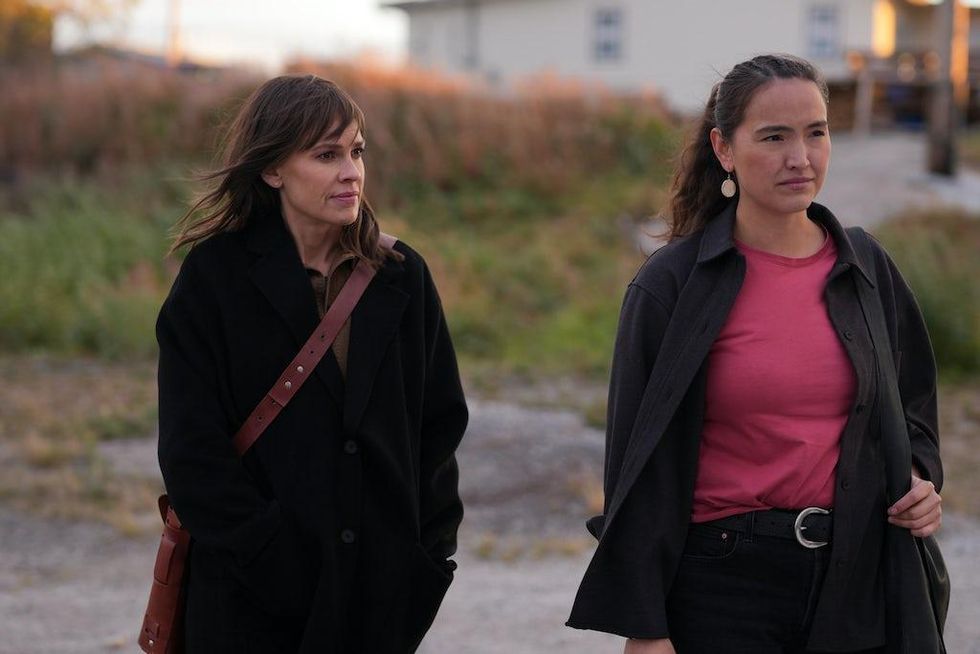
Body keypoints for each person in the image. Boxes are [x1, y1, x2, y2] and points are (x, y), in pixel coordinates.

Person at [567, 54, 943, 653]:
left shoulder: (867, 267)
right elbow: (636, 465)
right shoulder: (671, 285)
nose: (800, 157)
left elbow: (913, 404)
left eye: (816, 133)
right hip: (722, 587)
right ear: (724, 149)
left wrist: (920, 478)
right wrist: (646, 628)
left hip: (858, 579)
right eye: (774, 137)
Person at [156, 75, 468, 653]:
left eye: (356, 151)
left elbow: (439, 429)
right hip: (247, 607)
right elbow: (191, 452)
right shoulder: (215, 279)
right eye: (326, 155)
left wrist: (427, 563)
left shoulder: (401, 276)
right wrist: (268, 558)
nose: (351, 172)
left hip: (376, 605)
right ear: (273, 169)